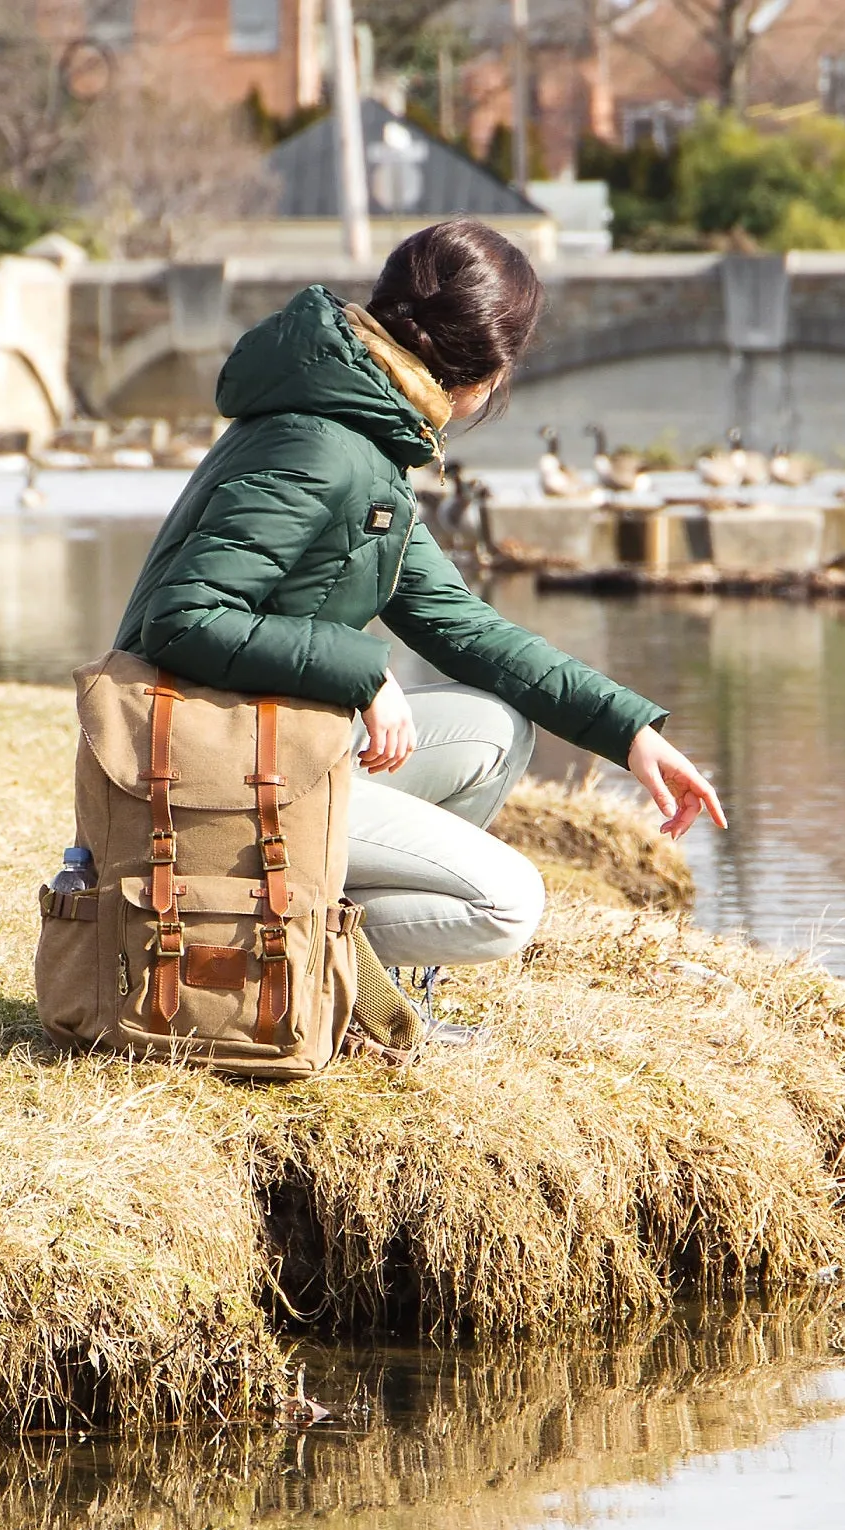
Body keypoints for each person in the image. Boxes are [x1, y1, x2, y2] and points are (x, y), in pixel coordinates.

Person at [109, 218, 725, 1036]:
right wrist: (360, 669)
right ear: (487, 371)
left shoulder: (363, 432)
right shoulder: (321, 448)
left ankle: (362, 986)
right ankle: (312, 974)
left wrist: (628, 731)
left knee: (491, 728)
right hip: (199, 785)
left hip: (271, 751)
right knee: (506, 904)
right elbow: (179, 620)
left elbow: (463, 628)